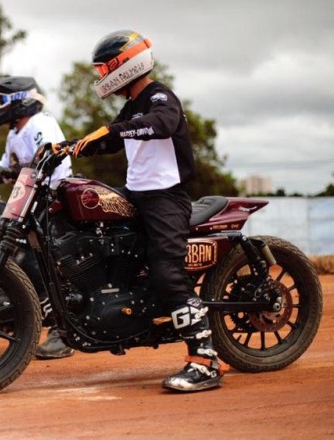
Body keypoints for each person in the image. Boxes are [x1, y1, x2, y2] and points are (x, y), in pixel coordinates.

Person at [68, 30, 226, 392]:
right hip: (137, 194)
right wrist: (71, 146)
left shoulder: (159, 97)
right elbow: (111, 138)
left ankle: (205, 361)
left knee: (167, 271)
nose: (101, 77)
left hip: (165, 197)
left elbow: (162, 124)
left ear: (125, 66)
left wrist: (114, 129)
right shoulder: (132, 105)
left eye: (104, 69)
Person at [0, 76, 74, 360]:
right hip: (27, 201)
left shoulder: (40, 123)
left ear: (18, 101)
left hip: (55, 198)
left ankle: (64, 329)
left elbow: (49, 159)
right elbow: (3, 167)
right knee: (11, 254)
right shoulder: (15, 133)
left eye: (1, 100)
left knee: (52, 262)